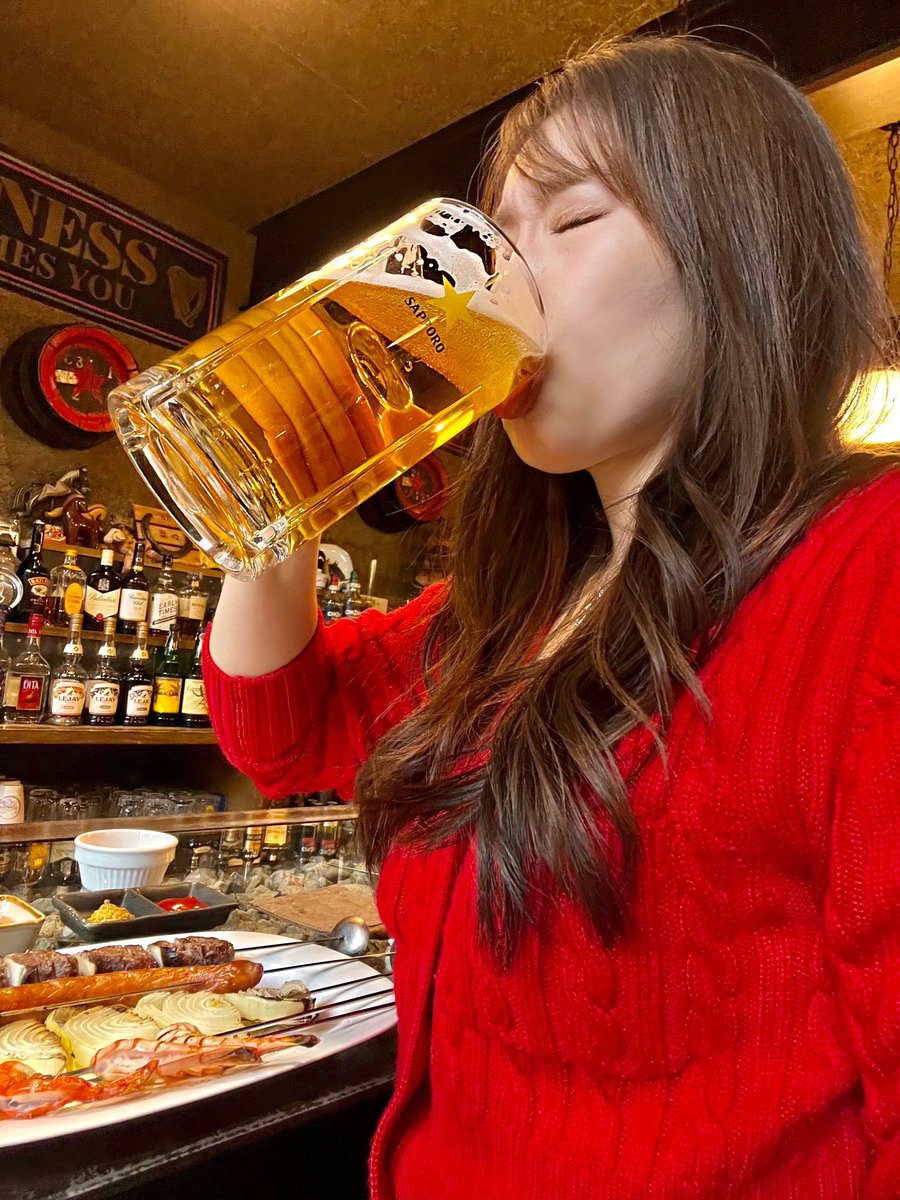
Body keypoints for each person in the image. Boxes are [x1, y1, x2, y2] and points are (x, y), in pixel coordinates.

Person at [204, 35, 900, 1200]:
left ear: (748, 252)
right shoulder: (513, 607)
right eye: (489, 237)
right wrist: (271, 489)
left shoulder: (868, 574)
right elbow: (280, 731)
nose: (489, 285)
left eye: (569, 223)